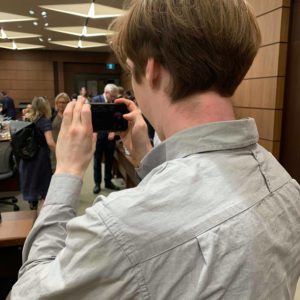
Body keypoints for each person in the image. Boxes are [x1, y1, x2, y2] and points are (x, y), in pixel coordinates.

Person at [12, 1, 300, 299]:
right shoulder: (285, 185)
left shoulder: (118, 228)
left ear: (151, 70)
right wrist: (150, 160)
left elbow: (28, 292)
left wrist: (67, 171)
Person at [19, 96, 56, 210]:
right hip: (40, 156)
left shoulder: (28, 119)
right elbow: (50, 142)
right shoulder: (44, 121)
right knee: (42, 182)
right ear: (46, 107)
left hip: (27, 155)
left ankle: (33, 205)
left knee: (31, 180)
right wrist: (59, 153)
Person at [92, 83, 119, 193]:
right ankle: (97, 184)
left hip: (110, 137)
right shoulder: (96, 100)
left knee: (109, 160)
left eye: (115, 96)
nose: (114, 99)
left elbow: (116, 118)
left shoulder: (115, 101)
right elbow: (93, 119)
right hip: (98, 136)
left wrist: (113, 131)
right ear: (106, 93)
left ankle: (108, 181)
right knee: (97, 161)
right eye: (112, 96)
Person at [51, 92, 70, 171]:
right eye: (60, 102)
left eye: (64, 102)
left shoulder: (71, 116)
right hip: (55, 149)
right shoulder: (52, 115)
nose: (62, 104)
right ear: (56, 103)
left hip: (68, 149)